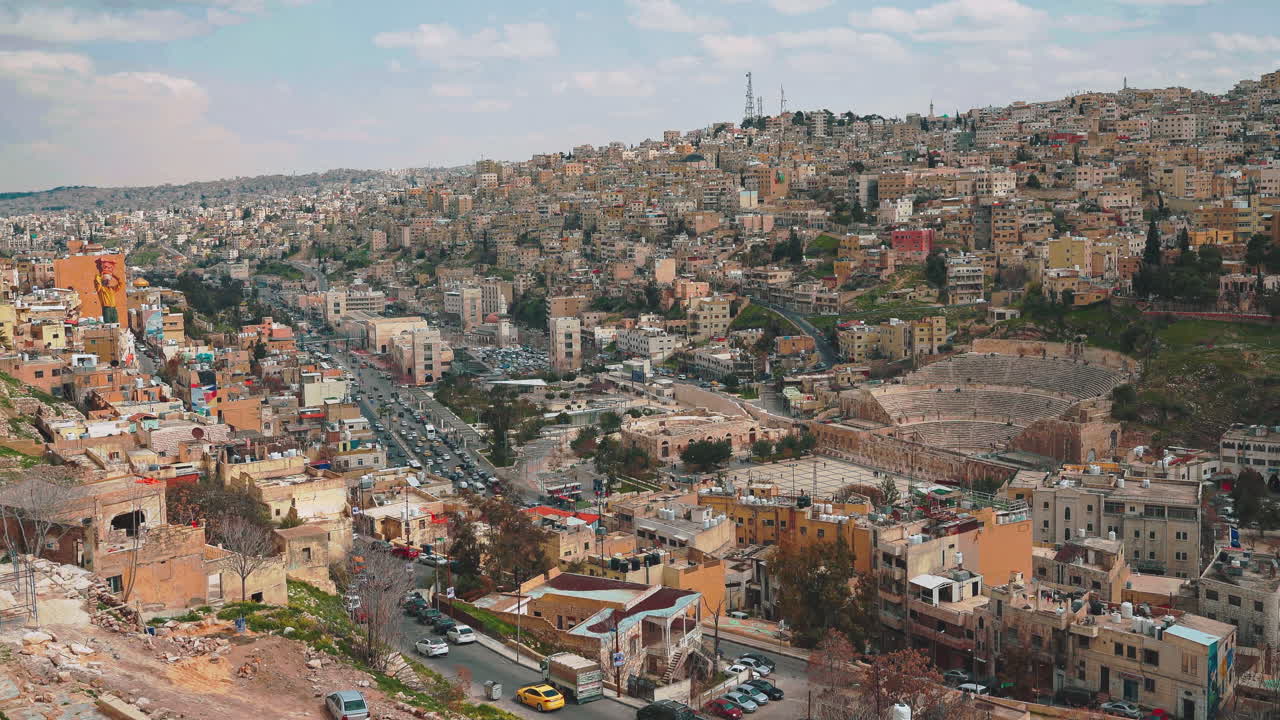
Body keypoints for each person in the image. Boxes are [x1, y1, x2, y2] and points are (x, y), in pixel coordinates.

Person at [93, 257, 122, 324]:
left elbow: (120, 284)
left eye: (108, 280)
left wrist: (114, 275)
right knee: (108, 324)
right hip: (106, 308)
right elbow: (97, 281)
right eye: (106, 281)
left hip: (113, 308)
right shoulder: (101, 289)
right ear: (103, 281)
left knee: (116, 323)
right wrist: (102, 273)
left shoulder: (112, 289)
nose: (108, 282)